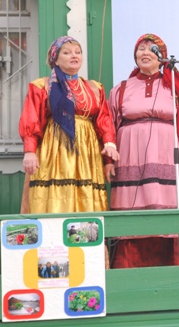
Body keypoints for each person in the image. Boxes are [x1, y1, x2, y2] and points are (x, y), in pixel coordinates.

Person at [107, 34, 179, 268]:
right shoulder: (121, 89)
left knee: (166, 206)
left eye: (151, 49)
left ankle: (173, 269)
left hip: (167, 155)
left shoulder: (175, 87)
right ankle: (128, 269)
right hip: (130, 157)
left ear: (162, 57)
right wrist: (108, 160)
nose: (145, 53)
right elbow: (109, 126)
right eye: (141, 49)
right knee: (131, 208)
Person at [19, 36, 119, 214]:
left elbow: (104, 120)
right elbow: (32, 119)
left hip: (87, 152)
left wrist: (108, 157)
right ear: (55, 59)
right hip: (54, 151)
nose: (74, 55)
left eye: (78, 52)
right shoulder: (42, 86)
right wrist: (29, 152)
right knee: (56, 194)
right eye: (67, 52)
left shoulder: (95, 88)